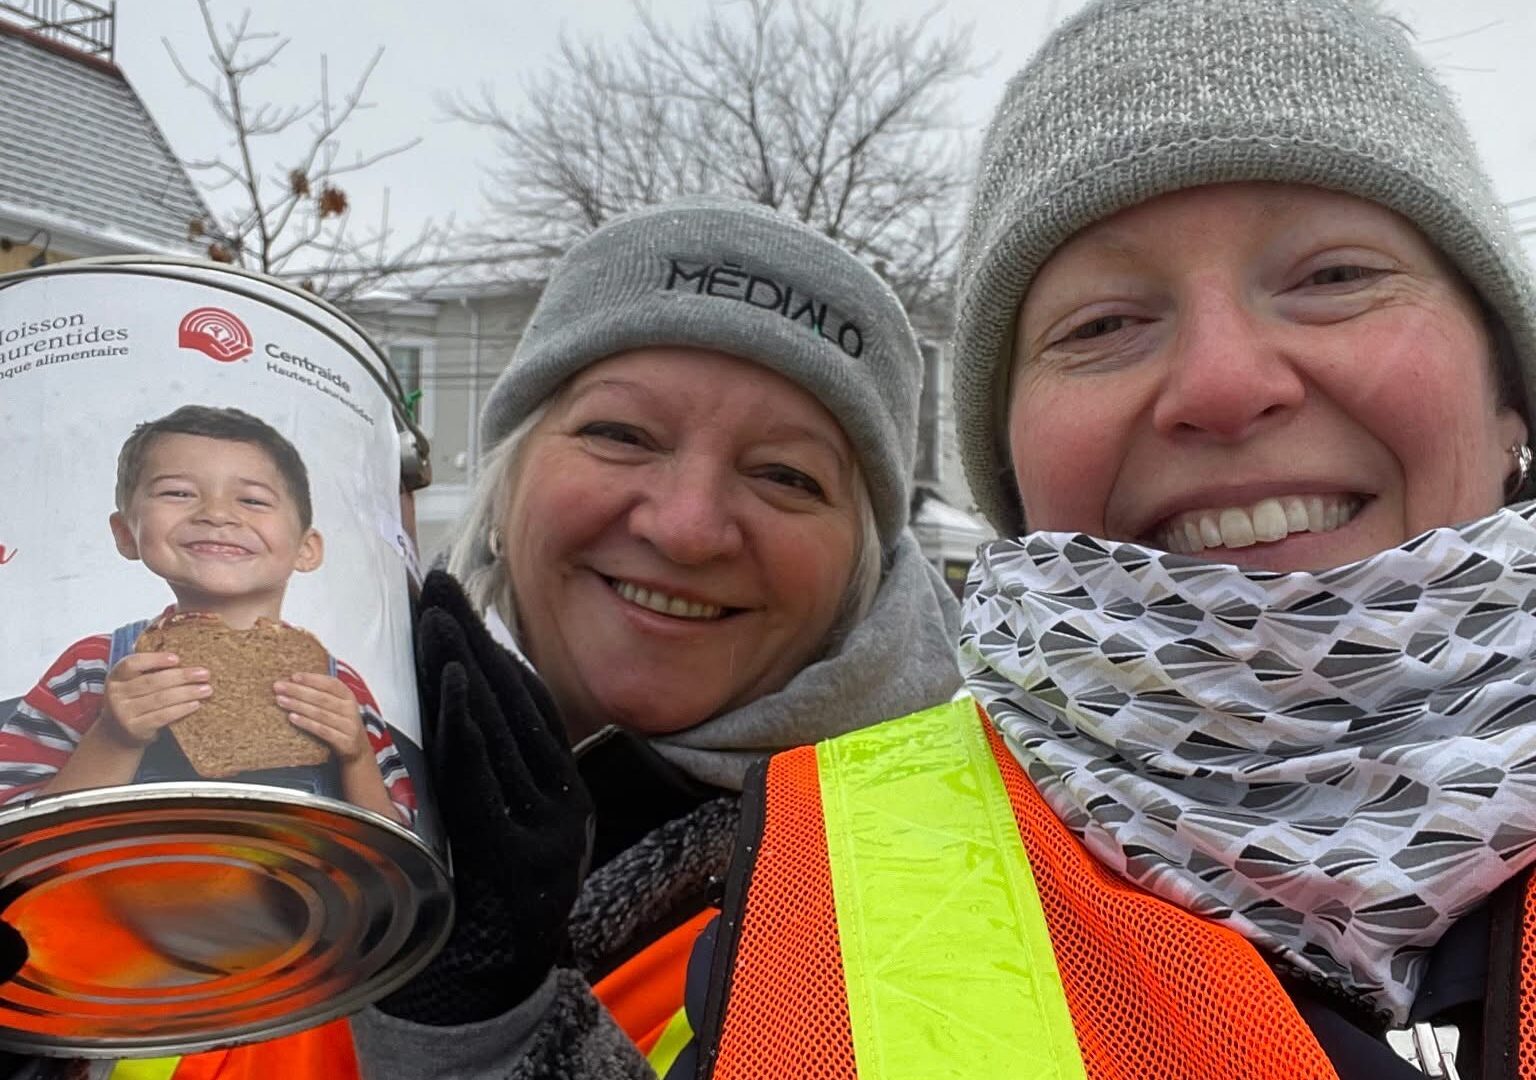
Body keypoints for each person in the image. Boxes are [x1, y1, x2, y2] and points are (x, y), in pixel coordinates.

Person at [670, 0, 1536, 1077]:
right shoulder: (809, 910)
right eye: (1103, 325)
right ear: (1013, 471)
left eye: (1334, 277)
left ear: (1510, 396)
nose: (1224, 385)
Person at [352, 196, 962, 1077]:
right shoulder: (302, 742)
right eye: (621, 434)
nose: (686, 528)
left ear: (868, 571)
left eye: (787, 475)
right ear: (510, 477)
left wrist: (492, 1032)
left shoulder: (945, 888)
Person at [0, 404, 415, 825]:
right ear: (127, 533)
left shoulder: (337, 687)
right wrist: (113, 738)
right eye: (178, 493)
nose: (217, 514)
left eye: (253, 499)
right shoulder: (89, 669)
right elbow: (13, 828)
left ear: (306, 549)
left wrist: (356, 754)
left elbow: (398, 841)